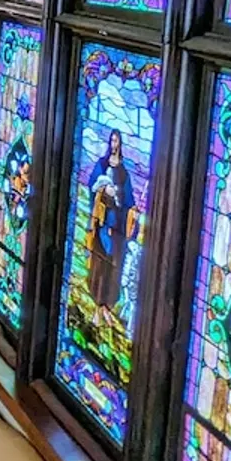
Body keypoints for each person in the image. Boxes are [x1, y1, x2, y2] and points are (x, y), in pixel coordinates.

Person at [86, 130, 139, 319]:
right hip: (102, 224)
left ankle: (108, 306)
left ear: (121, 144)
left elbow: (129, 200)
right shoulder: (102, 165)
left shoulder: (123, 173)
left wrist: (130, 208)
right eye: (112, 140)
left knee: (114, 266)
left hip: (117, 227)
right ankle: (97, 304)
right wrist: (102, 190)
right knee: (100, 262)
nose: (113, 144)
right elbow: (91, 185)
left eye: (116, 141)